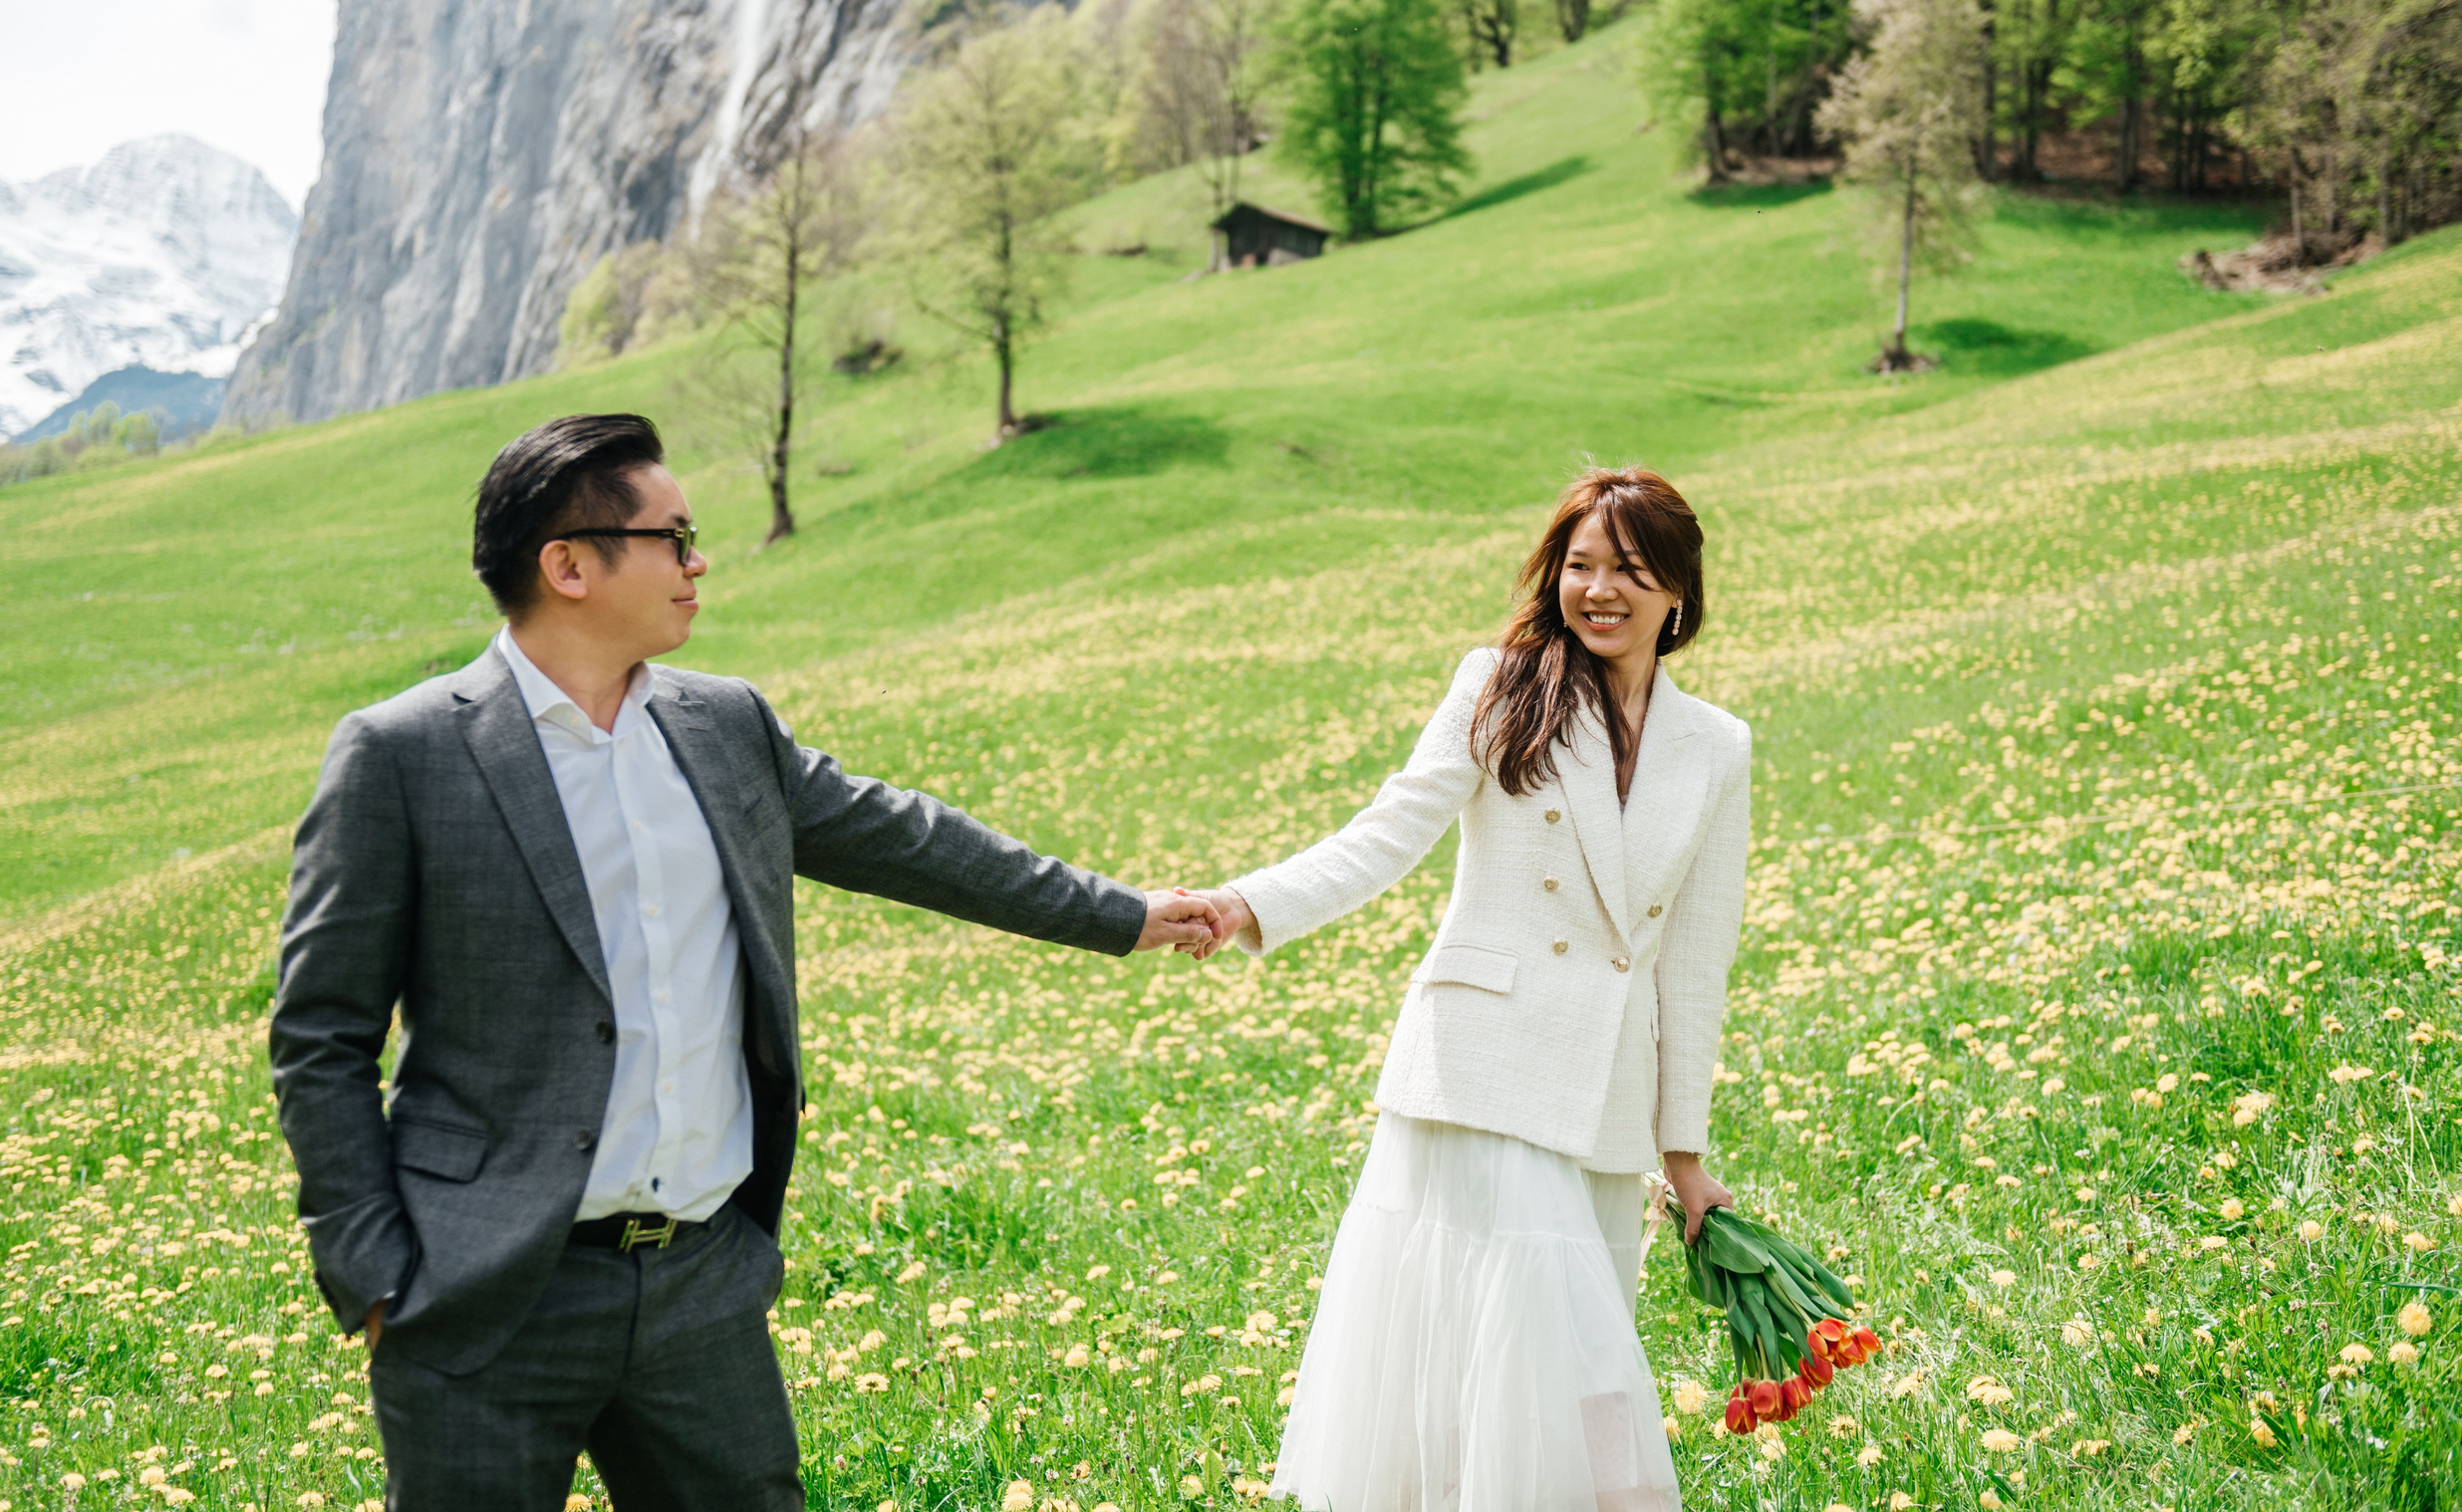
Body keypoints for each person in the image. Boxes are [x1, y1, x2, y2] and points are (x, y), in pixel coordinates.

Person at [268, 413, 1220, 1511]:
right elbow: (321, 1033)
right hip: (479, 1295)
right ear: (568, 564)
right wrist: (373, 1273)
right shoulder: (401, 752)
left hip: (700, 1286)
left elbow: (906, 839)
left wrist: (1121, 913)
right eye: (673, 536)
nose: (699, 560)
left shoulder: (724, 723)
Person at [1193, 464, 1750, 1512]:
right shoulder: (1501, 684)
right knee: (1512, 1365)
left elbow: (1693, 964)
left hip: (1604, 1106)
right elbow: (1386, 833)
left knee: (1563, 1383)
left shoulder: (1716, 746)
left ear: (1678, 588)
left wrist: (1683, 1158)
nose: (1599, 589)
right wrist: (1244, 903)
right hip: (1479, 1070)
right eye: (1580, 564)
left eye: (1630, 568)